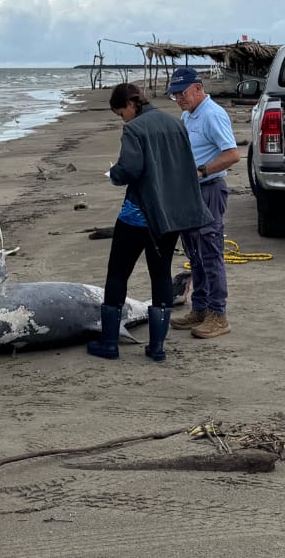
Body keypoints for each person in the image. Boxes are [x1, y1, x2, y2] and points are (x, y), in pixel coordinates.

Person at [87, 82, 211, 362]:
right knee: (161, 275)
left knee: (118, 273)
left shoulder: (134, 129)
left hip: (137, 215)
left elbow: (131, 168)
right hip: (168, 216)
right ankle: (157, 347)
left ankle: (109, 343)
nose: (123, 119)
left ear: (130, 105)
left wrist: (115, 174)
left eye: (121, 113)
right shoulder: (174, 123)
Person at [166, 67, 242, 340]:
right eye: (174, 94)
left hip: (209, 190)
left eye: (182, 93)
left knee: (210, 254)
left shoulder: (212, 114)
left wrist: (201, 171)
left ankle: (218, 315)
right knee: (194, 254)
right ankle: (199, 309)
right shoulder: (188, 115)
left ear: (198, 88)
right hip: (190, 193)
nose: (179, 99)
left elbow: (232, 154)